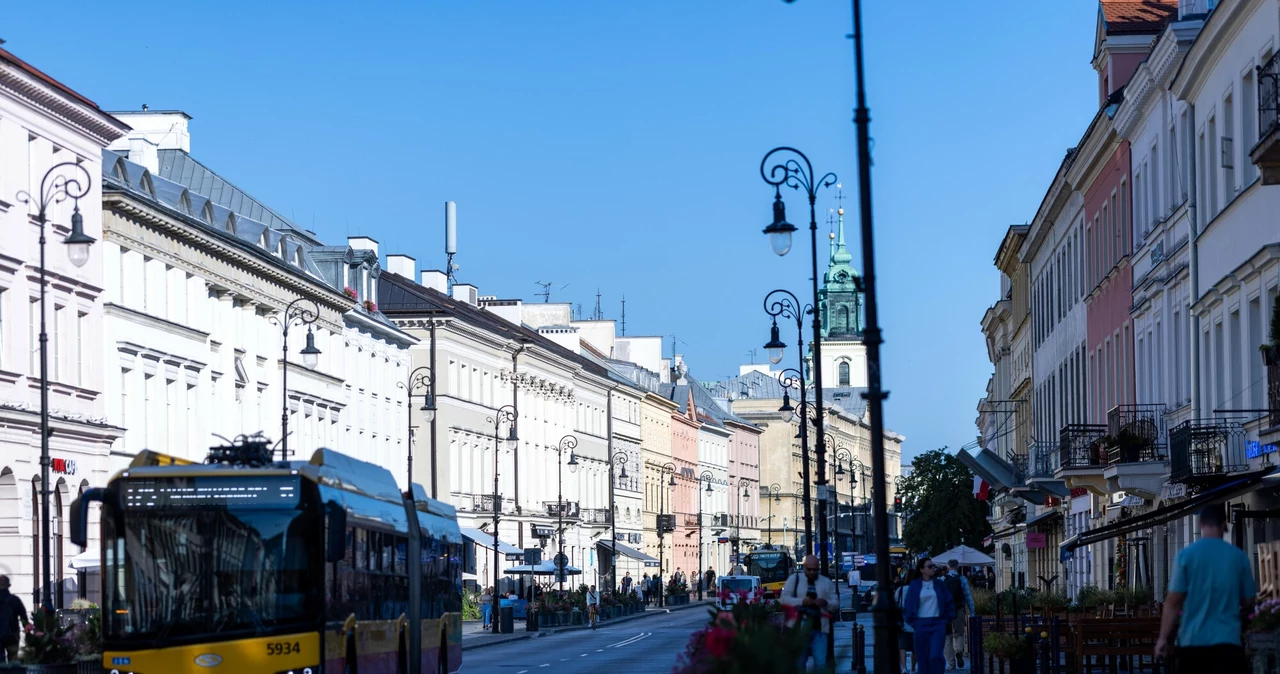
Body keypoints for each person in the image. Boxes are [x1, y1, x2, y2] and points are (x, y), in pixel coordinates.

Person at [1155, 503, 1254, 671]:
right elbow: (1249, 600)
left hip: (1192, 643)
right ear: (1224, 524)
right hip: (1228, 641)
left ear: (1200, 523)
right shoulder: (1239, 557)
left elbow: (1173, 601)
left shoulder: (1186, 556)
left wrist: (1163, 638)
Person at [779, 554, 839, 671]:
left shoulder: (826, 582)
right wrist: (802, 601)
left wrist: (825, 603)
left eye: (815, 569)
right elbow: (783, 600)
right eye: (809, 569)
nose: (812, 572)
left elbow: (835, 603)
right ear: (804, 567)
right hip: (799, 628)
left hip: (819, 628)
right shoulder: (794, 580)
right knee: (799, 663)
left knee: (821, 663)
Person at [902, 557, 955, 674]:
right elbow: (908, 604)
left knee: (936, 655)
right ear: (922, 569)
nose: (933, 569)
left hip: (937, 623)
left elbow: (949, 601)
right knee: (923, 658)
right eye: (930, 566)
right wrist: (913, 622)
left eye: (933, 566)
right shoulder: (915, 585)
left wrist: (947, 618)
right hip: (921, 624)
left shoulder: (939, 584)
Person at [943, 559, 975, 669]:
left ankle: (951, 664)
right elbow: (968, 597)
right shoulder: (962, 579)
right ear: (957, 566)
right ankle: (959, 652)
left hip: (946, 612)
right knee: (959, 634)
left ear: (947, 566)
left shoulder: (942, 579)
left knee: (947, 637)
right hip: (959, 609)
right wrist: (972, 612)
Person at [895, 570, 919, 674]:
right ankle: (913, 668)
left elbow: (895, 603)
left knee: (902, 646)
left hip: (902, 621)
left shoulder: (900, 590)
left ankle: (904, 667)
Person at [0, 576, 28, 663]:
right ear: (9, 585)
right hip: (12, 636)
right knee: (14, 661)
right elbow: (24, 618)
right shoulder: (15, 600)